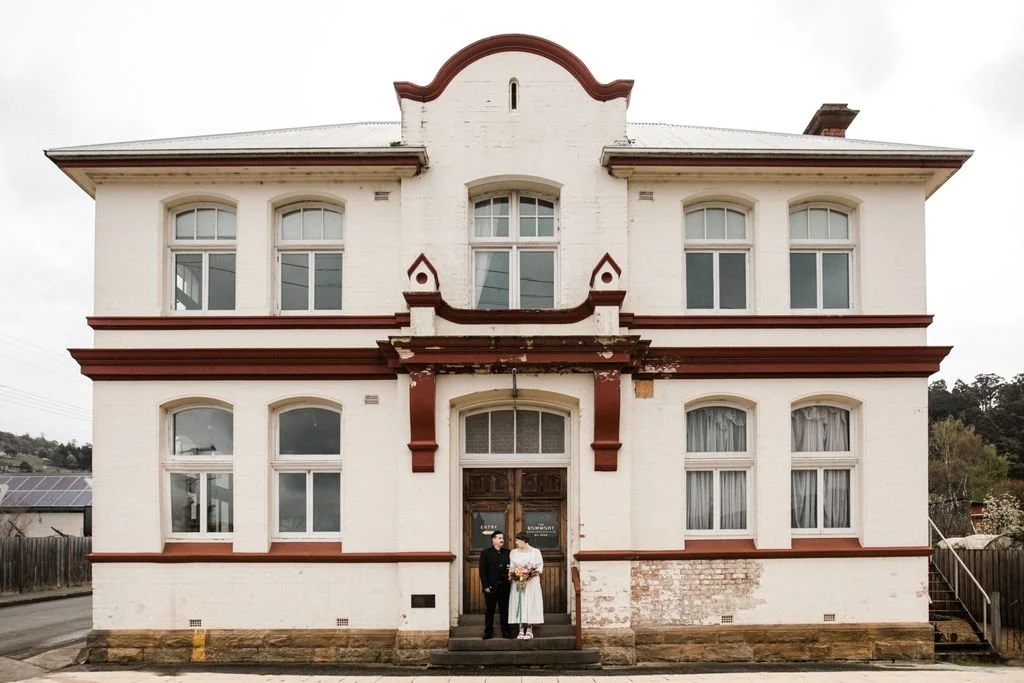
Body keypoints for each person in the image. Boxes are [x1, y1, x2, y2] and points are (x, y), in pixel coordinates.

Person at [508, 531, 544, 639]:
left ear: (524, 541)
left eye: (518, 540)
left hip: (531, 582)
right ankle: (520, 628)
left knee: (530, 602)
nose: (516, 542)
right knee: (520, 602)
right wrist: (515, 576)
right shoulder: (513, 552)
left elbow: (539, 568)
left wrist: (528, 574)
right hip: (518, 582)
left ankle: (529, 628)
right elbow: (512, 567)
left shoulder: (535, 552)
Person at [478, 529, 512, 639]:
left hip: (505, 587)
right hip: (491, 587)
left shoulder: (508, 553)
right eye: (499, 538)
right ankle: (488, 632)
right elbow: (482, 571)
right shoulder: (486, 553)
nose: (502, 540)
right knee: (490, 610)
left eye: (502, 538)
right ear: (493, 540)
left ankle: (506, 631)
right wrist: (485, 586)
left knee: (505, 610)